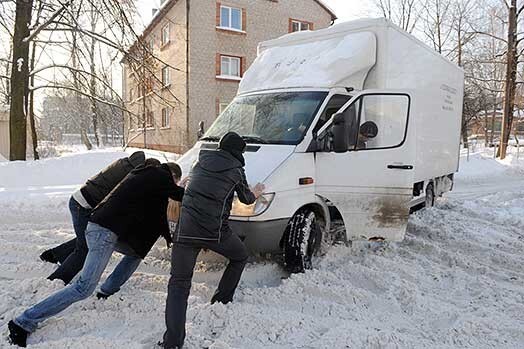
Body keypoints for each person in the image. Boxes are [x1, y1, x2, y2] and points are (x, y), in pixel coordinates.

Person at [8, 162, 184, 347]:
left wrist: (170, 237)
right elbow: (177, 194)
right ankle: (23, 322)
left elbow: (157, 215)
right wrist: (194, 190)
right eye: (175, 181)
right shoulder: (159, 175)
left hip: (103, 229)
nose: (173, 184)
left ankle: (107, 290)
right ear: (172, 175)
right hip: (103, 233)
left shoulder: (145, 175)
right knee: (83, 288)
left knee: (135, 253)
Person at [162, 132, 265, 349]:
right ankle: (222, 300)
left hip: (185, 231)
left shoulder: (199, 162)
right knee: (240, 256)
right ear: (238, 152)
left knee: (178, 285)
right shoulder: (236, 170)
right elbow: (246, 199)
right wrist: (256, 191)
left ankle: (172, 343)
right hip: (215, 232)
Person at [39, 152, 160, 285]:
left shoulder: (127, 163)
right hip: (83, 206)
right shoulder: (132, 175)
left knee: (90, 236)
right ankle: (56, 280)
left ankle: (54, 255)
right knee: (86, 248)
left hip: (81, 201)